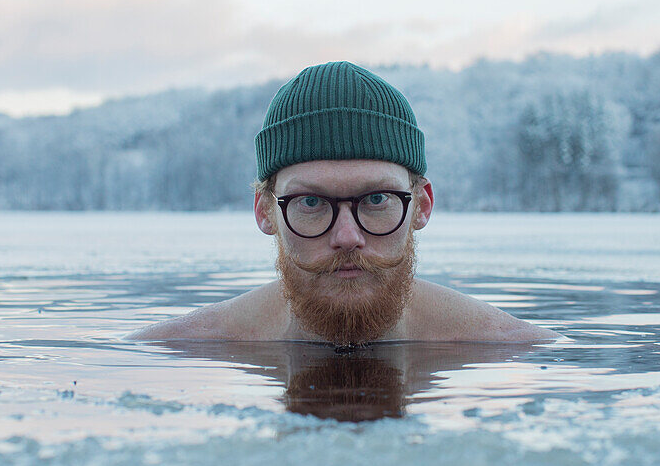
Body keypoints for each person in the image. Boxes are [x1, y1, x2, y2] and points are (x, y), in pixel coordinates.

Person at [132, 60, 556, 345]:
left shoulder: (504, 345)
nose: (348, 236)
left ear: (422, 206)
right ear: (265, 211)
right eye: (312, 202)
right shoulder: (187, 346)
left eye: (376, 199)